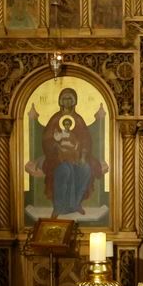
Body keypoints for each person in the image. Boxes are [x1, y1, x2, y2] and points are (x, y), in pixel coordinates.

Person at [40, 87, 104, 217]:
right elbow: (47, 139)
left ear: (74, 102)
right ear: (60, 101)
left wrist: (83, 156)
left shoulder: (78, 120)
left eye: (70, 99)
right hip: (58, 157)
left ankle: (76, 204)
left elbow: (86, 140)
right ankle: (58, 207)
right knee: (65, 171)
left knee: (86, 169)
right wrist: (56, 146)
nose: (67, 102)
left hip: (77, 156)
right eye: (65, 99)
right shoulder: (55, 119)